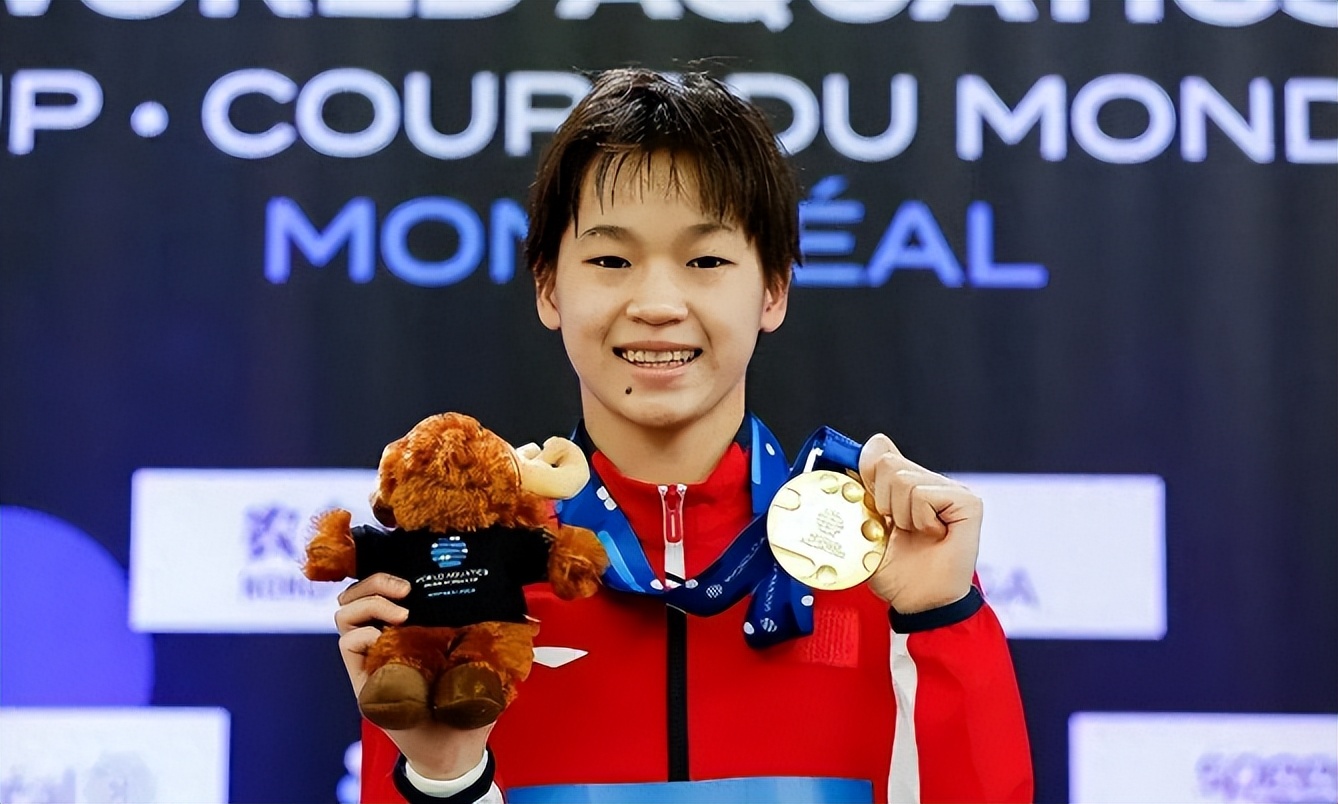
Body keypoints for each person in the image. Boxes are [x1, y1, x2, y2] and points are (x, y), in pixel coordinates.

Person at [335, 67, 1032, 804]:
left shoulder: (876, 557)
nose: (659, 303)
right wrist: (444, 777)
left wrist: (939, 619)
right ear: (548, 286)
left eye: (706, 261)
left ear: (773, 289)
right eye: (611, 260)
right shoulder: (469, 575)